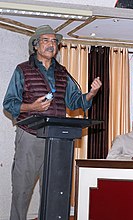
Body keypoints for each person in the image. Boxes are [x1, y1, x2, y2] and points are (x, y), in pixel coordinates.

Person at [2, 25, 102, 220]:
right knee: (22, 191)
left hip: (57, 141)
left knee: (54, 193)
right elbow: (9, 103)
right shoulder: (22, 69)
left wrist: (91, 93)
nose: (51, 44)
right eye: (46, 40)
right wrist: (32, 108)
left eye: (54, 41)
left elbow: (75, 103)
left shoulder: (63, 72)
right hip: (30, 136)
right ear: (36, 45)